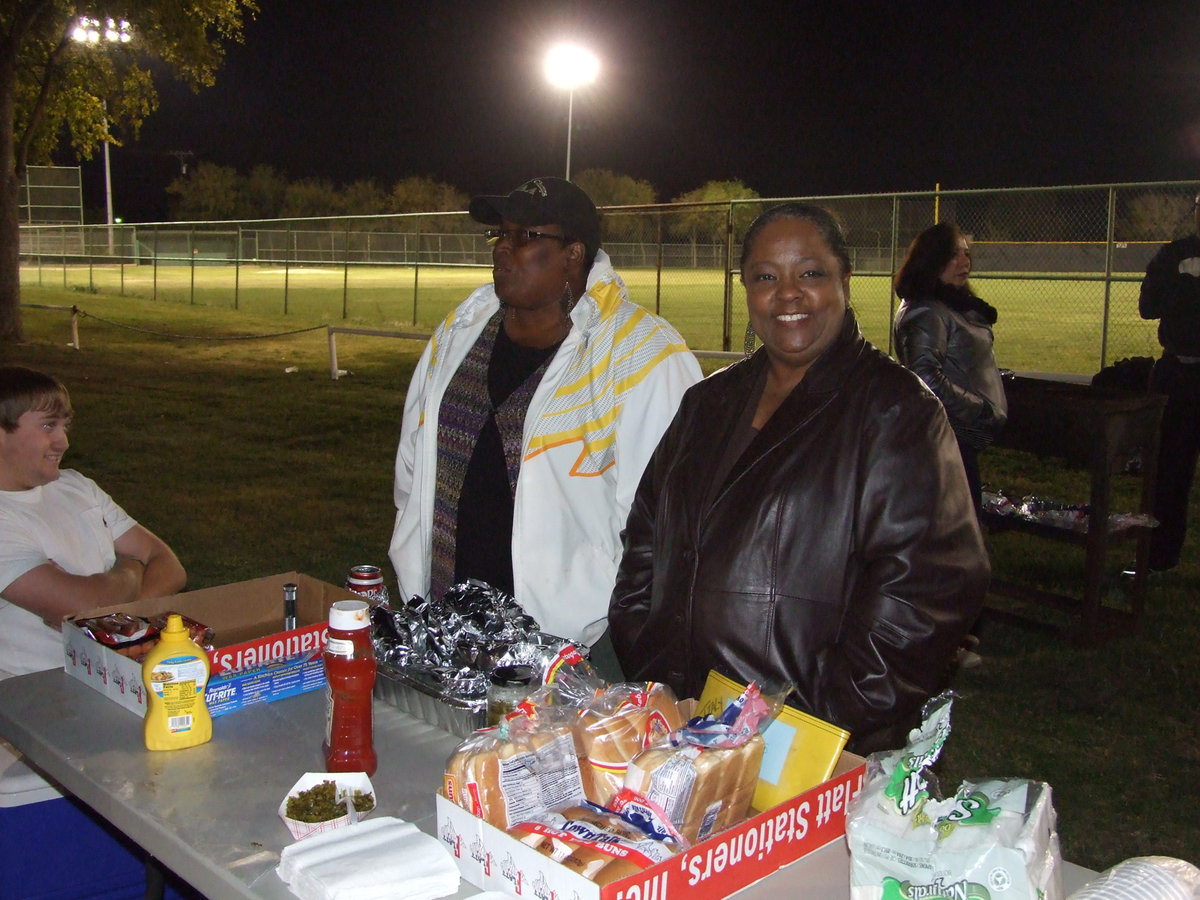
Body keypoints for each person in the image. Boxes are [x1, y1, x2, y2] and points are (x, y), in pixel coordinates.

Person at [609, 203, 989, 753]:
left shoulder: (896, 411)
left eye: (810, 273)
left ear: (845, 281)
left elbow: (925, 595)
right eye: (766, 277)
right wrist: (649, 657)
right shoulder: (707, 403)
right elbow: (647, 536)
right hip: (682, 725)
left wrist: (813, 724)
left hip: (805, 747)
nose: (787, 294)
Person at [389, 177, 701, 661]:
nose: (503, 251)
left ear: (573, 255)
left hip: (574, 648)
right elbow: (412, 465)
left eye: (526, 237)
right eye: (501, 235)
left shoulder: (643, 354)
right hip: (446, 629)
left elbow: (665, 526)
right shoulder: (461, 329)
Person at [0, 366, 187, 679]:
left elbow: (170, 566)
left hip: (108, 674)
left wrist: (110, 624)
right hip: (34, 688)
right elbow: (82, 604)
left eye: (64, 426)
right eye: (48, 426)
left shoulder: (76, 487)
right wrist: (131, 569)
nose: (63, 442)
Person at [893, 223, 1007, 513]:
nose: (964, 262)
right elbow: (924, 376)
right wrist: (978, 409)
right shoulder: (927, 310)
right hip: (948, 435)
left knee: (962, 521)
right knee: (957, 526)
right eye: (953, 254)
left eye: (966, 254)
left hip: (960, 436)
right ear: (933, 259)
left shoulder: (950, 304)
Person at [1138, 189, 1200, 573]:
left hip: (1182, 372)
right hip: (1179, 375)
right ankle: (1160, 558)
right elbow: (1148, 307)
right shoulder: (1173, 254)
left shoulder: (1175, 256)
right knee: (1170, 472)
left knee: (1172, 471)